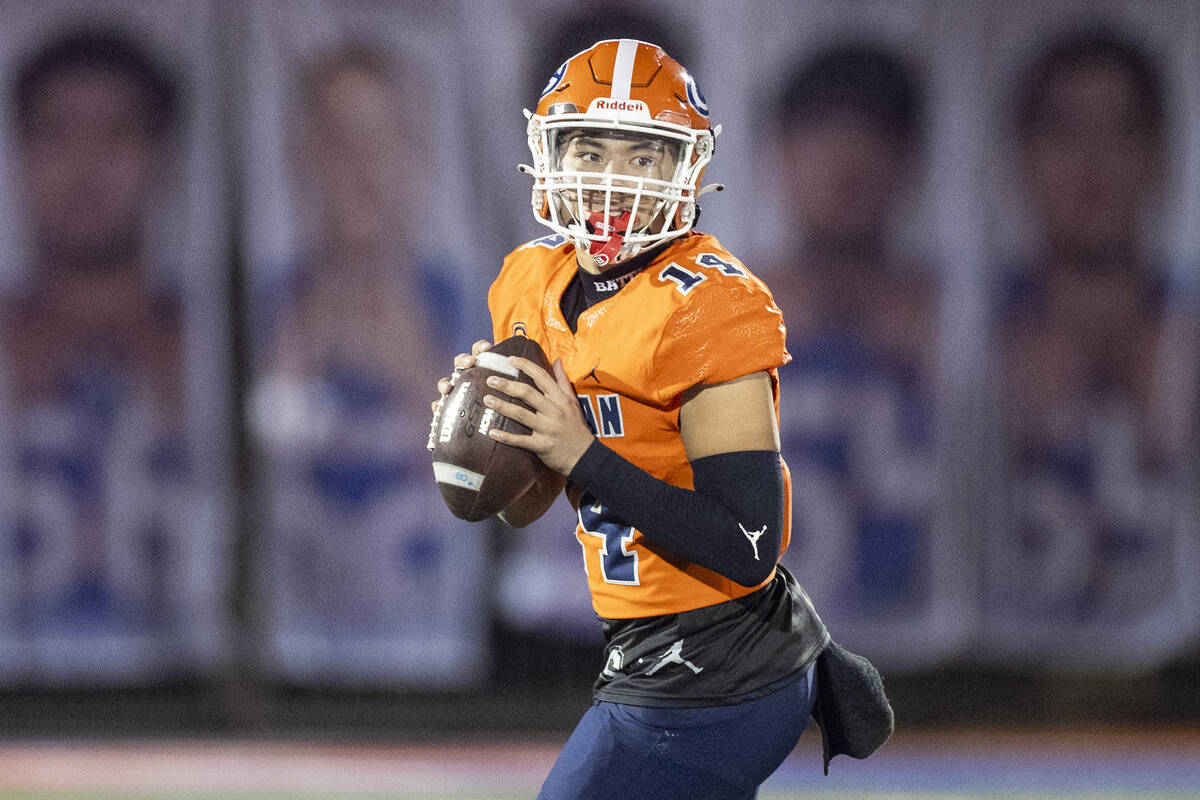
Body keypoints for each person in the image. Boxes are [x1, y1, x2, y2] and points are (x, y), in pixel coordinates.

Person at [433, 39, 890, 798]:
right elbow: (526, 510)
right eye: (589, 148)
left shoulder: (708, 305)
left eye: (643, 155)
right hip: (655, 651)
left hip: (721, 666)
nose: (612, 179)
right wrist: (501, 437)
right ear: (548, 158)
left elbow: (748, 545)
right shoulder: (530, 283)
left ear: (687, 169)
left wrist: (582, 454)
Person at [250, 43, 487, 685]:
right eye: (339, 143)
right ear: (300, 160)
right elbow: (265, 450)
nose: (363, 170)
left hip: (436, 654)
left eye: (385, 142)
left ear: (421, 160)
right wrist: (304, 335)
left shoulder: (468, 303)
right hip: (295, 655)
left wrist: (407, 355)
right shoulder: (265, 307)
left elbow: (486, 473)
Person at [0, 27, 205, 679]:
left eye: (115, 134)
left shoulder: (213, 353)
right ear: (20, 157)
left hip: (189, 701)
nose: (84, 166)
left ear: (162, 159)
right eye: (56, 134)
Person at [987, 24, 1196, 629]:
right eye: (1065, 130)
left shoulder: (1186, 335)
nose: (1092, 160)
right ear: (1021, 155)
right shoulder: (964, 337)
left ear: (1160, 156)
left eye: (1119, 130)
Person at [766, 42, 938, 619]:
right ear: (780, 153)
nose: (847, 156)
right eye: (821, 127)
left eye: (873, 131)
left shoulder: (961, 323)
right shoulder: (708, 313)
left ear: (912, 160)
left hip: (927, 656)